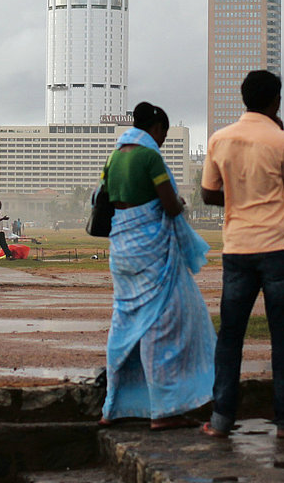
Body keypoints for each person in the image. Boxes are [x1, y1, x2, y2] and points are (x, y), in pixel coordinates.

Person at [200, 70, 284, 440]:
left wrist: (237, 196)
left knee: (231, 334)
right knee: (283, 335)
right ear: (276, 101)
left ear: (243, 98)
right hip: (277, 247)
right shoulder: (280, 139)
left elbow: (208, 193)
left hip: (237, 247)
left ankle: (221, 418)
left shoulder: (220, 139)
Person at [99, 102, 215, 430]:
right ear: (158, 128)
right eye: (163, 133)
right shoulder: (150, 157)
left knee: (123, 325)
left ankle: (114, 407)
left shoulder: (114, 157)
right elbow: (169, 205)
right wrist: (178, 202)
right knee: (163, 328)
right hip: (153, 254)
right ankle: (165, 410)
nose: (163, 139)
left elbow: (107, 199)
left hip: (122, 251)